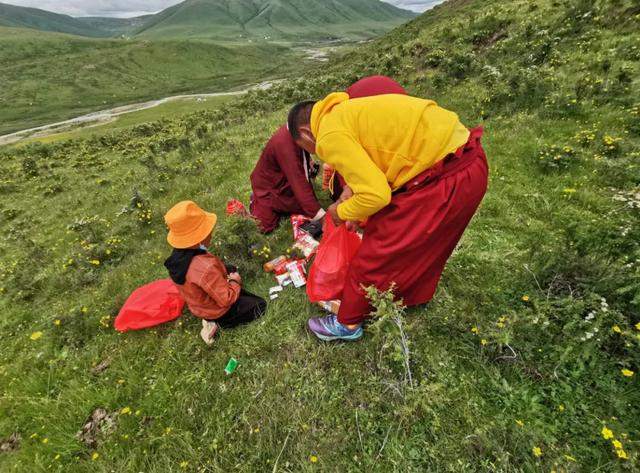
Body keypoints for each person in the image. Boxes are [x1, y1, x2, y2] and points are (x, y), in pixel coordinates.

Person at [287, 91, 489, 342]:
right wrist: (350, 194)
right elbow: (378, 156)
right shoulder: (344, 112)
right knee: (426, 243)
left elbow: (377, 196)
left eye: (306, 148)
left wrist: (339, 211)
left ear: (306, 133)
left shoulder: (327, 134)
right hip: (469, 160)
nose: (315, 154)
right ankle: (409, 294)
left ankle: (347, 324)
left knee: (379, 249)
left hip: (444, 178)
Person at [250, 75, 407, 232]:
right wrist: (323, 217)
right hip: (268, 186)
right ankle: (255, 201)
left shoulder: (327, 129)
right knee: (265, 226)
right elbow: (299, 181)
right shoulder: (285, 143)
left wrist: (340, 205)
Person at [163, 200, 266, 345]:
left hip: (199, 305)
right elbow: (226, 299)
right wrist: (235, 281)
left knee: (230, 269)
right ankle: (218, 324)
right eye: (207, 230)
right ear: (198, 236)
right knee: (259, 305)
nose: (210, 232)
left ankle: (212, 317)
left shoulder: (178, 256)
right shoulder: (205, 267)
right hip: (217, 310)